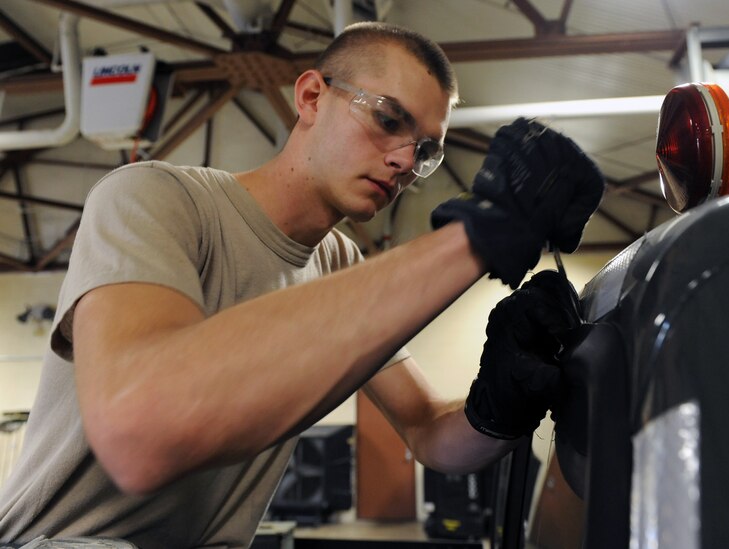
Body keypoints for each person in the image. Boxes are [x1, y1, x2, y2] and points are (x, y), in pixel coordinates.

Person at [0, 21, 603, 549]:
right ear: (312, 96)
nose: (402, 159)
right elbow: (140, 433)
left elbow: (429, 436)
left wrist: (501, 400)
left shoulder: (340, 261)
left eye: (423, 151)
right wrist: (478, 236)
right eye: (388, 119)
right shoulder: (155, 198)